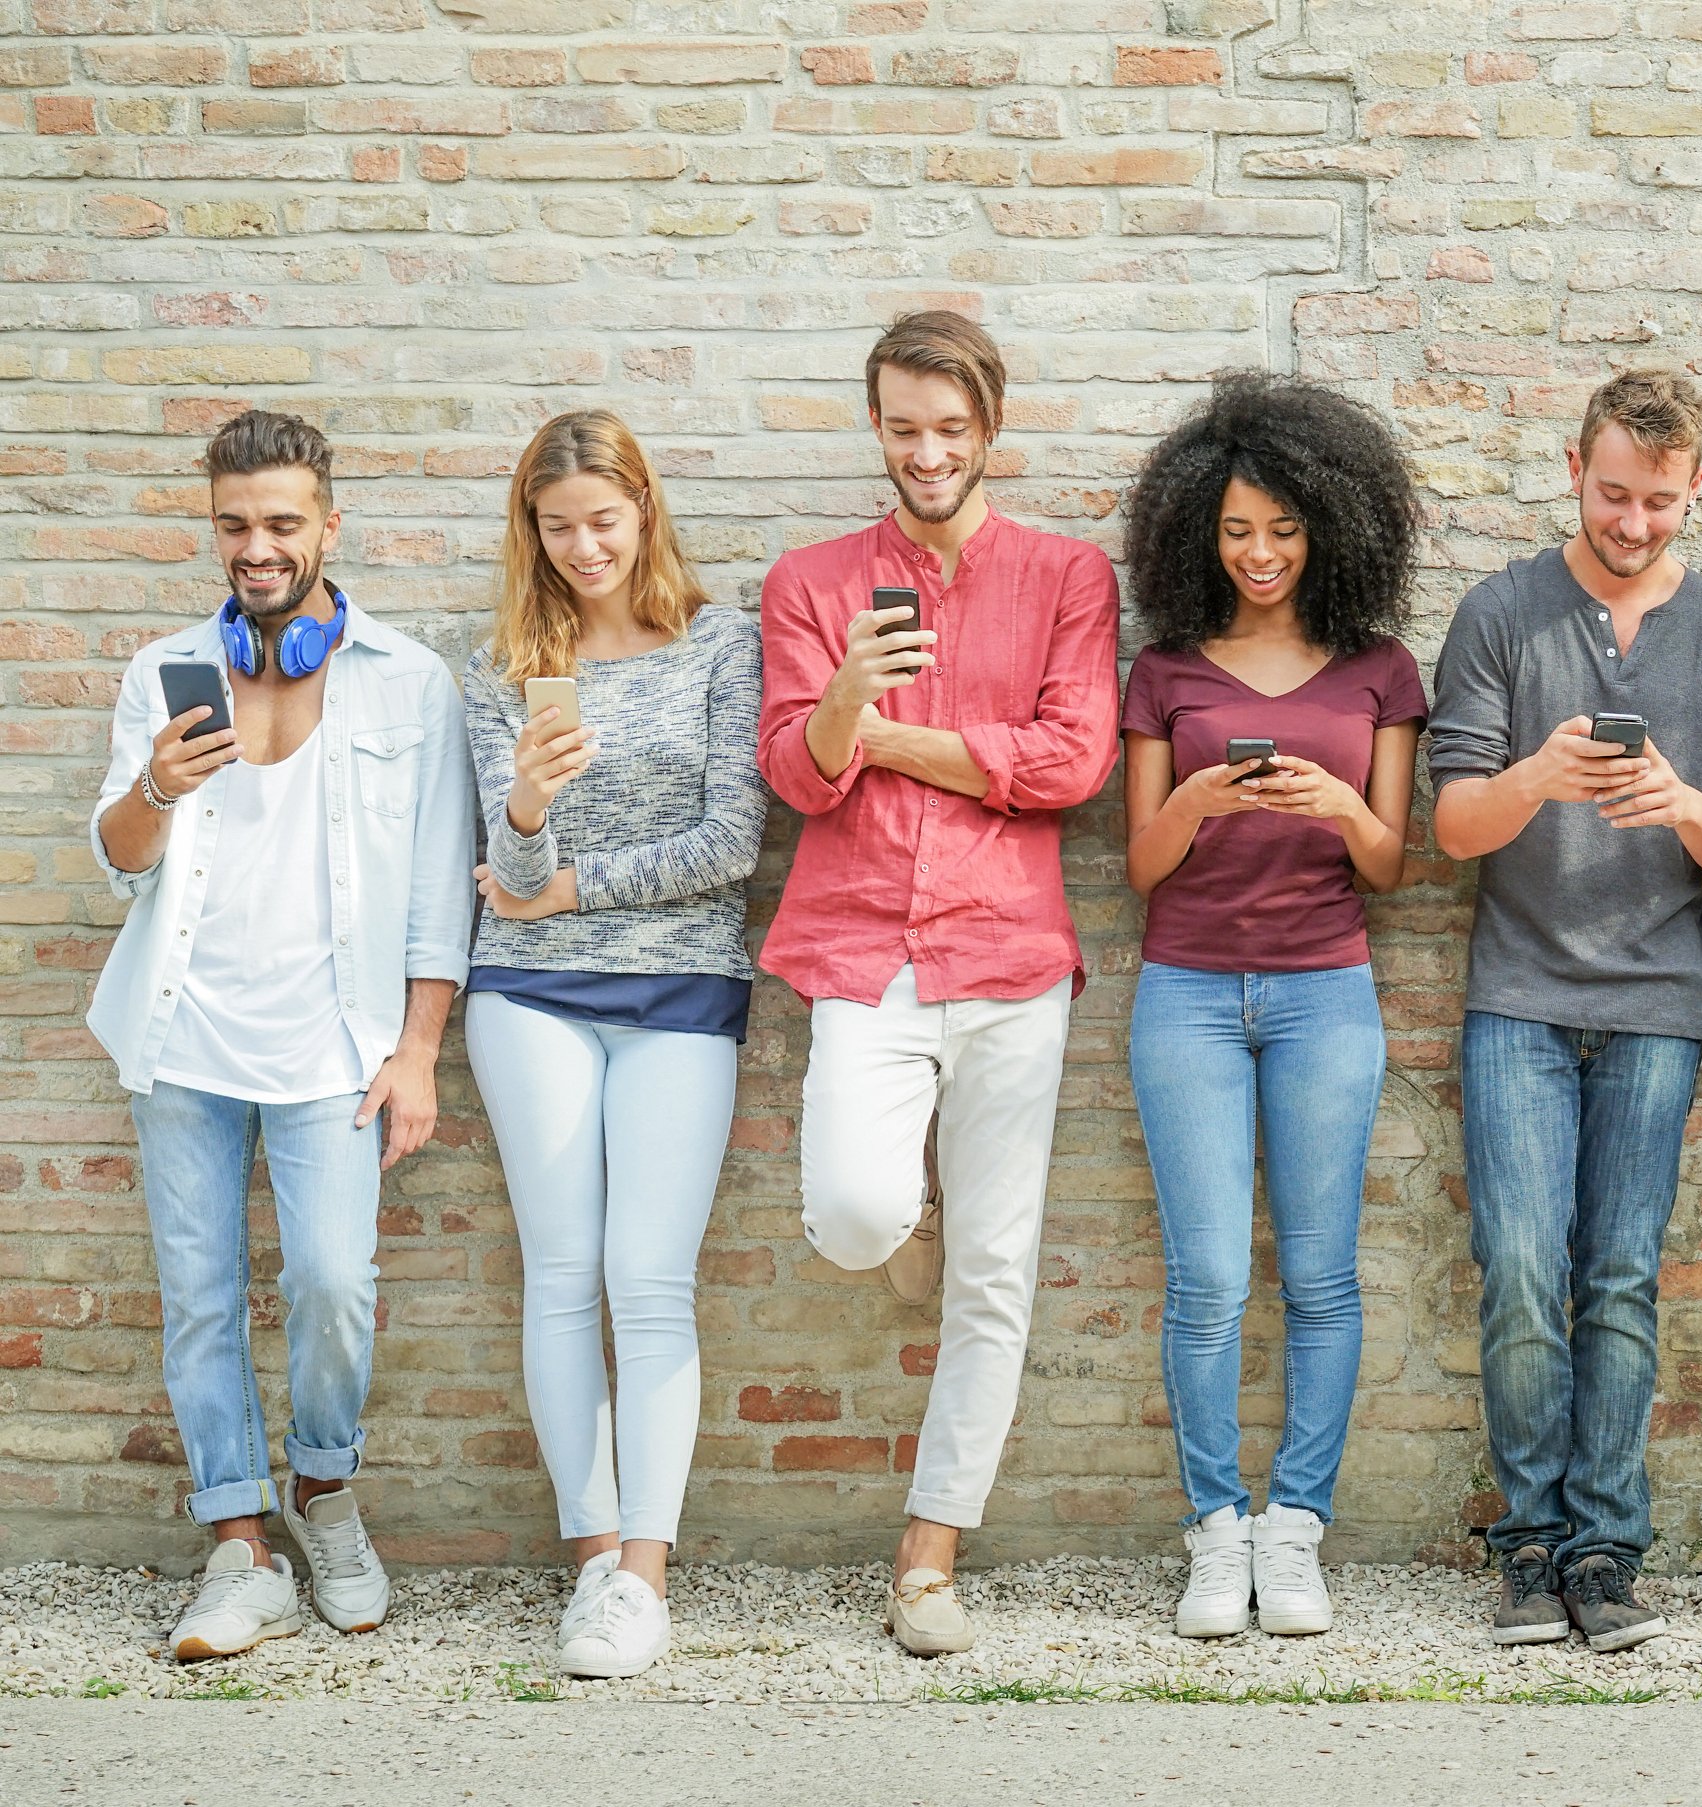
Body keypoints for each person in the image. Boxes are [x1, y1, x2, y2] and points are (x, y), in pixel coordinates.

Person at [757, 311, 1120, 1655]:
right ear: (876, 427)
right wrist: (848, 698)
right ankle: (908, 1212)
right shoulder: (809, 583)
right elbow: (798, 774)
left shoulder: (1068, 576)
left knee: (997, 1269)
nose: (927, 452)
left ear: (990, 430)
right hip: (865, 945)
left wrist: (877, 739)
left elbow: (1071, 764)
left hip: (1012, 953)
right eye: (904, 428)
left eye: (950, 430)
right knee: (855, 1212)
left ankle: (928, 1552)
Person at [87, 410, 472, 1660]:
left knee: (332, 1284)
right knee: (200, 1299)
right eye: (236, 524)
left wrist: (417, 1049)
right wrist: (155, 787)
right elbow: (117, 864)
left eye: (282, 523)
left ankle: (323, 1486)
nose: (258, 546)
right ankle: (239, 1543)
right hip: (183, 1034)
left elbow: (434, 888)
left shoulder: (408, 680)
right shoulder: (164, 672)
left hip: (334, 1046)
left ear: (328, 527)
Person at [1428, 369, 1702, 1654]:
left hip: (1656, 1001)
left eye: (1660, 500)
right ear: (1574, 467)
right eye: (1614, 493)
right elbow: (1454, 826)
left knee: (1620, 1275)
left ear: (1700, 489)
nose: (1634, 522)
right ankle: (1527, 1538)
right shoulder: (1500, 613)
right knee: (1522, 1270)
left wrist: (1681, 802)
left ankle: (1605, 1543)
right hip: (1518, 992)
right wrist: (1538, 772)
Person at [1118, 375, 1425, 1639]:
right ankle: (1215, 1531)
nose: (1259, 553)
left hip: (1325, 992)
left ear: (1332, 528)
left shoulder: (1381, 670)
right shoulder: (1165, 672)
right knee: (1204, 1278)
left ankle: (1295, 1527)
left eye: (1285, 530)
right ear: (1200, 529)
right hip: (1187, 990)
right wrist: (1200, 803)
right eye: (1238, 530)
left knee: (1319, 1276)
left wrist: (1333, 805)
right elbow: (1141, 863)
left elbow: (1392, 862)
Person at [462, 411, 766, 1679]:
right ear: (529, 533)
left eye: (604, 517)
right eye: (557, 524)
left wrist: (571, 881)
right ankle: (592, 1558)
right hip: (527, 996)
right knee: (561, 1268)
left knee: (648, 1278)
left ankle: (645, 1570)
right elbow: (503, 876)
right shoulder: (497, 663)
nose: (583, 545)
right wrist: (528, 801)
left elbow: (731, 841)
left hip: (682, 993)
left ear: (644, 508)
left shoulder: (721, 643)